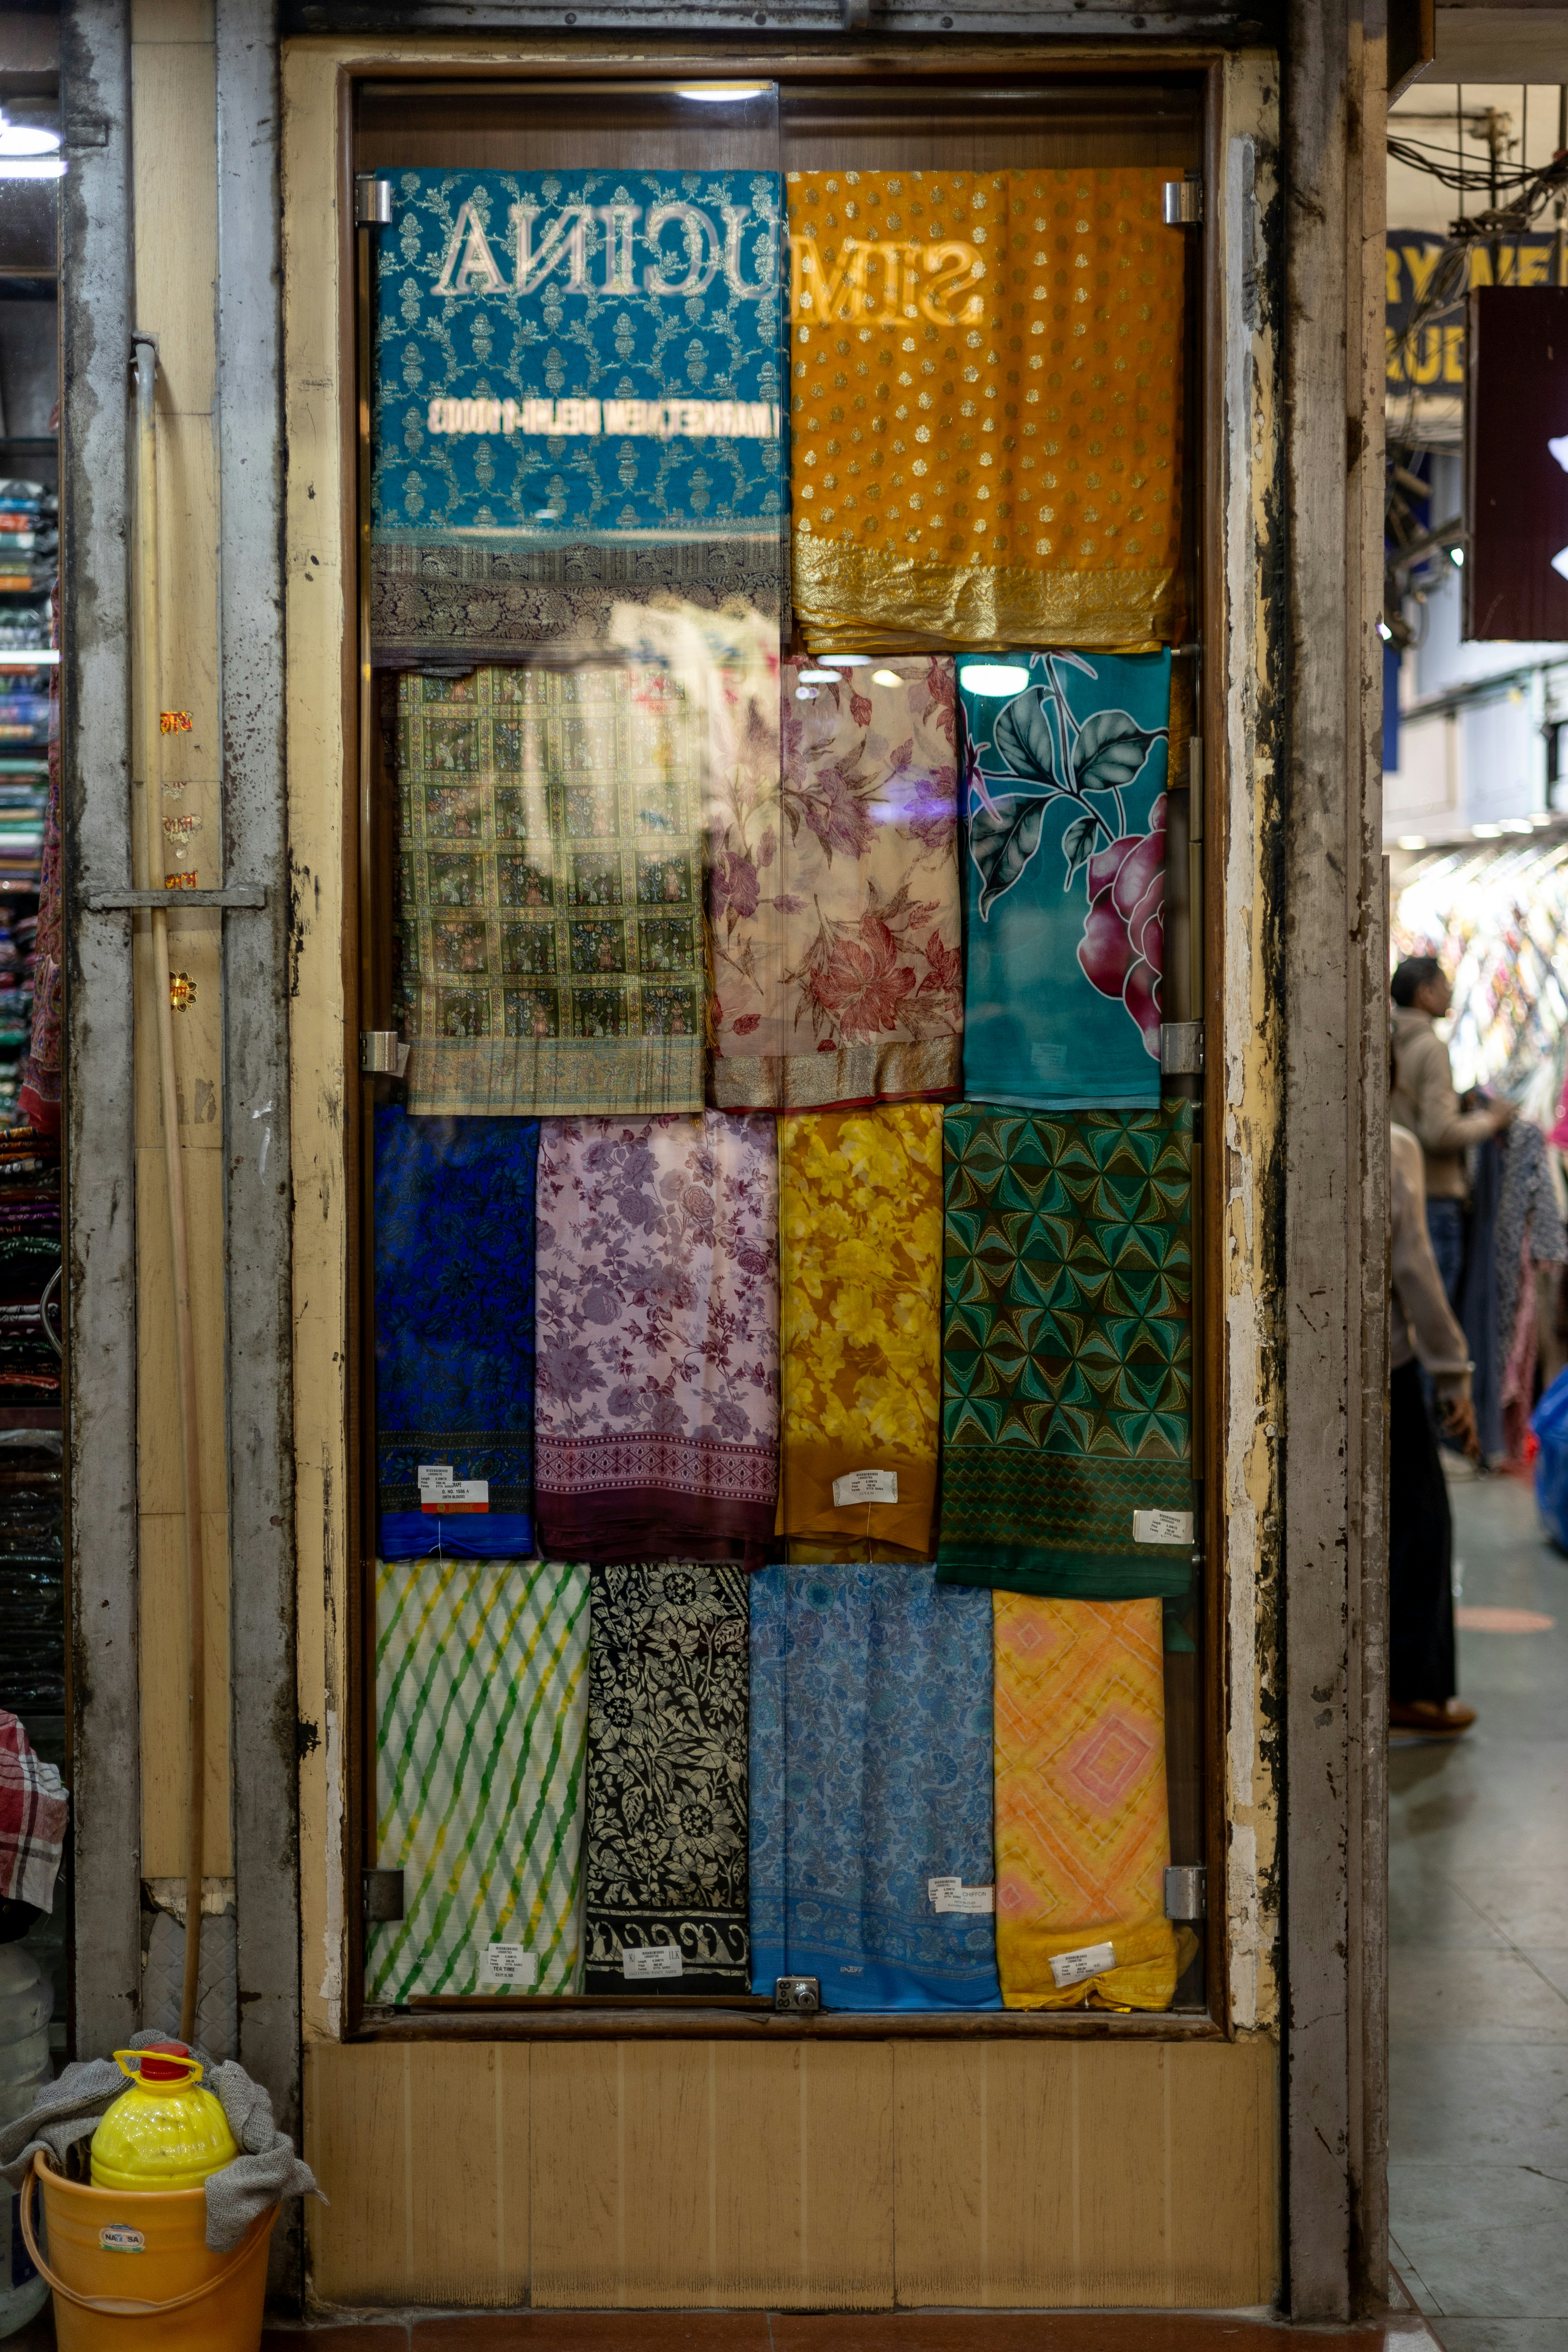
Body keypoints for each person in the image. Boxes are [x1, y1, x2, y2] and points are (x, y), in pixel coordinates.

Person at [1389, 1119, 1478, 1736]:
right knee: (1422, 1522)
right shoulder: (1394, 1146)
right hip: (1388, 1363)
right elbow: (1414, 1266)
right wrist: (1452, 1372)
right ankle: (1412, 1688)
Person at [1390, 955, 1515, 1308]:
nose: (1449, 992)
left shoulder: (1390, 1041)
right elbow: (1439, 1133)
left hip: (1402, 1191)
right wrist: (1492, 1121)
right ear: (1425, 993)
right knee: (1436, 1315)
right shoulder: (1431, 1048)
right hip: (1434, 1197)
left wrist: (1458, 1101)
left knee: (1407, 1317)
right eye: (1444, 985)